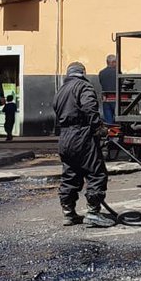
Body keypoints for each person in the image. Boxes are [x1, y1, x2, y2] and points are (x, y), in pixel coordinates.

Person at [54, 62, 114, 228]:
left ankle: (68, 213)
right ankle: (93, 212)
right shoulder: (83, 86)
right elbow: (89, 107)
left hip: (65, 137)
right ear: (83, 72)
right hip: (82, 135)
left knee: (70, 174)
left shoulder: (60, 90)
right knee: (96, 173)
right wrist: (99, 127)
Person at [98, 54, 117, 124]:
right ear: (113, 62)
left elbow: (101, 83)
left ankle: (110, 132)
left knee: (109, 121)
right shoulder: (118, 73)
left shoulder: (101, 73)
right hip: (116, 98)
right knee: (118, 120)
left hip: (106, 98)